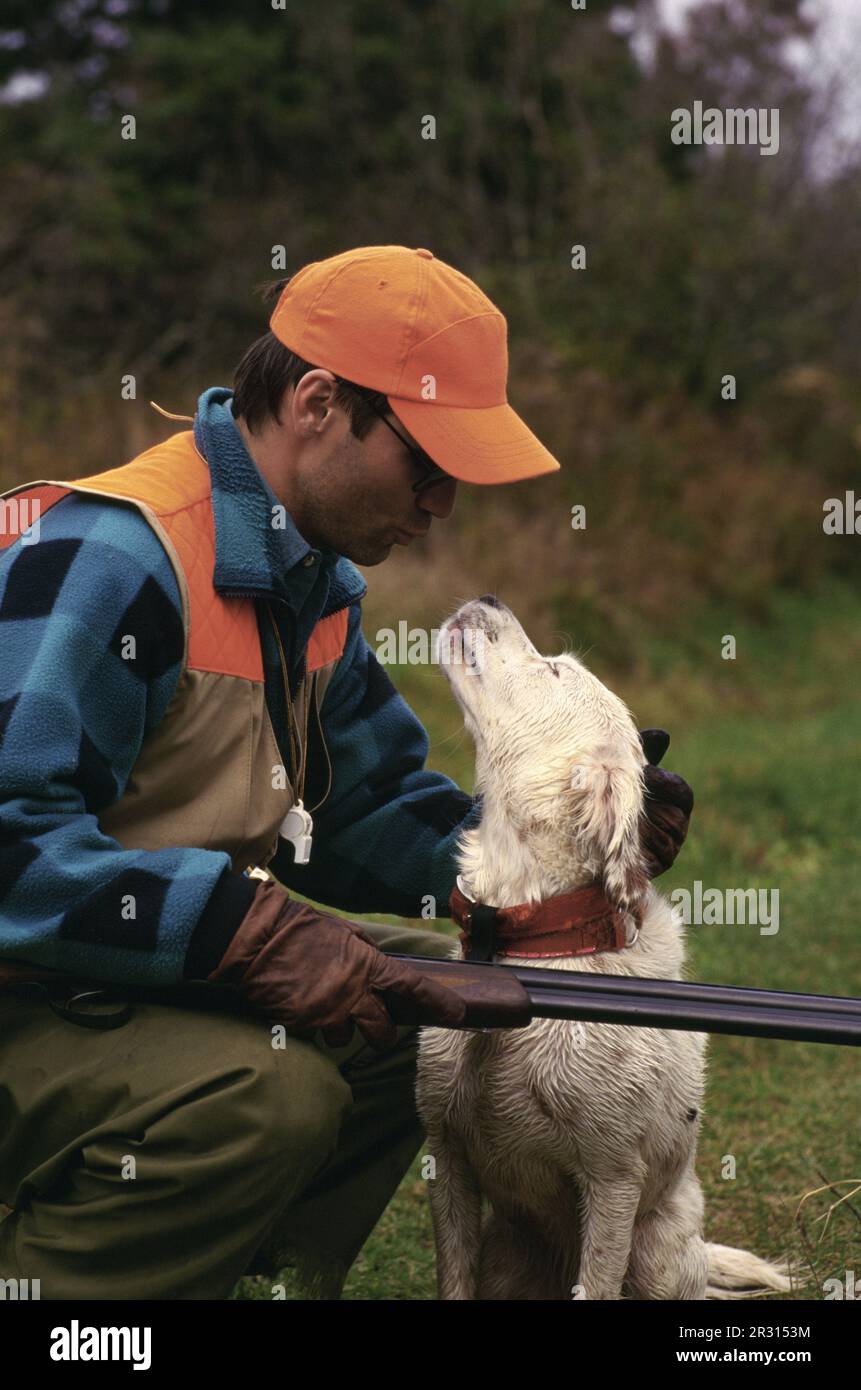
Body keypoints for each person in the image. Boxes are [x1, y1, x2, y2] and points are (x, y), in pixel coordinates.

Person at [0, 245, 692, 1299]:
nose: (443, 503)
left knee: (461, 995)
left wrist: (547, 851)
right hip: (27, 995)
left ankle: (223, 1265)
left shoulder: (309, 581)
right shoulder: (114, 557)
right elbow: (11, 846)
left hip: (109, 976)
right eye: (428, 463)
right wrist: (246, 928)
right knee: (266, 1097)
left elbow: (370, 808)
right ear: (320, 403)